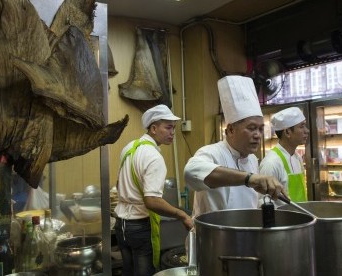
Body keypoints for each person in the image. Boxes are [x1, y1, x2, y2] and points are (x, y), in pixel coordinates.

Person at [184, 75, 285, 219]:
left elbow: (252, 202)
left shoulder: (251, 160)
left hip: (243, 234)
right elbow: (191, 172)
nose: (257, 135)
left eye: (261, 129)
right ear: (230, 130)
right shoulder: (212, 152)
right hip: (212, 236)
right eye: (251, 128)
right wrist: (250, 179)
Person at [114, 104, 193, 276]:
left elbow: (119, 185)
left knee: (128, 271)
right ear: (154, 128)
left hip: (121, 224)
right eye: (168, 127)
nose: (172, 132)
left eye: (174, 128)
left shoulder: (129, 148)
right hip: (139, 226)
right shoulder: (154, 156)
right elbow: (152, 201)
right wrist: (182, 215)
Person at [259, 107, 309, 207]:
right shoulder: (271, 163)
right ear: (287, 132)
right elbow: (263, 202)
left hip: (301, 217)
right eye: (302, 126)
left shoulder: (297, 157)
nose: (307, 131)